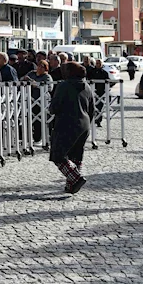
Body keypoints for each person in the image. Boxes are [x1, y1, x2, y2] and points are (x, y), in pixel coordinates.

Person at [48, 62, 93, 194]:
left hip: (66, 124)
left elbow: (54, 107)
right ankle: (70, 186)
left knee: (58, 156)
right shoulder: (88, 87)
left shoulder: (64, 86)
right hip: (84, 124)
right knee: (76, 156)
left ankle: (76, 178)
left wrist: (52, 107)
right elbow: (92, 109)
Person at [25, 60, 54, 144]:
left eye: (42, 66)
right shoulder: (32, 73)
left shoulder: (47, 76)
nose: (39, 68)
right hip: (31, 100)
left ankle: (40, 138)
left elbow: (49, 88)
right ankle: (29, 137)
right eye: (39, 66)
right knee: (29, 119)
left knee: (41, 120)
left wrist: (37, 85)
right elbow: (23, 79)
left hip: (42, 101)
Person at [90, 59, 111, 127]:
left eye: (99, 63)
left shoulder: (104, 73)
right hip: (93, 92)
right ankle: (92, 120)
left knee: (100, 107)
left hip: (101, 92)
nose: (98, 64)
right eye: (97, 63)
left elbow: (107, 82)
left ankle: (99, 121)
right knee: (92, 106)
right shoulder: (92, 72)